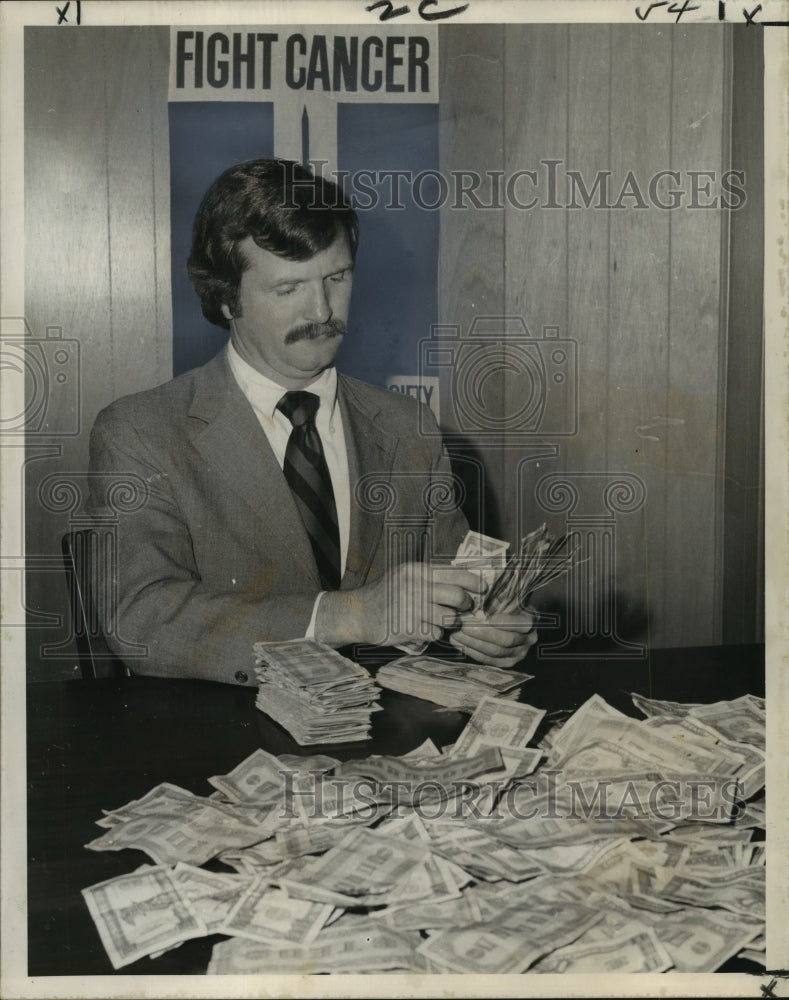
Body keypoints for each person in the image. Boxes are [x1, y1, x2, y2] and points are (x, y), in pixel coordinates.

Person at [88, 159, 537, 684]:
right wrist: (350, 615)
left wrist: (491, 627)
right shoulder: (141, 431)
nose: (323, 310)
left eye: (336, 277)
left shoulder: (407, 426)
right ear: (226, 298)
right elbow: (144, 620)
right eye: (289, 289)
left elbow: (462, 585)